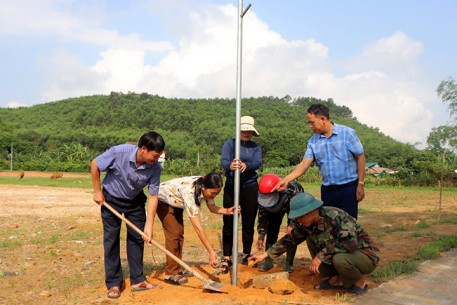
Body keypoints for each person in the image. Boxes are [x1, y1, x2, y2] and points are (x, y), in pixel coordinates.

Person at [249, 192, 381, 296]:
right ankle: (336, 278)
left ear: (311, 211)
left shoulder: (335, 216)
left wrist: (320, 256)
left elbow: (349, 243)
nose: (298, 219)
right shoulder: (308, 223)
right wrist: (265, 255)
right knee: (311, 238)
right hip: (347, 254)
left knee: (339, 259)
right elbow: (290, 239)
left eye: (300, 216)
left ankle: (359, 282)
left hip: (365, 255)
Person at [91, 131, 165, 299]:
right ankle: (114, 282)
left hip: (135, 202)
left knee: (137, 239)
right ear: (143, 149)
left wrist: (149, 226)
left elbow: (153, 196)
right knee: (111, 240)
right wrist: (97, 191)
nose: (156, 159)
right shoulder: (119, 152)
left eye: (158, 156)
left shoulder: (155, 168)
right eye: (155, 155)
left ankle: (138, 280)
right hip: (111, 199)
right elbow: (95, 164)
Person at [276, 104, 365, 219]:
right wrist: (286, 180)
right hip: (328, 191)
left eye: (312, 122)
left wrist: (361, 184)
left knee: (349, 226)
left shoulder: (347, 134)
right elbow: (304, 164)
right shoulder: (313, 141)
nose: (310, 126)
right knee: (329, 226)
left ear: (323, 119)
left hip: (348, 189)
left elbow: (361, 157)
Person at [152, 173, 236, 285]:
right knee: (174, 234)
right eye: (213, 193)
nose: (214, 196)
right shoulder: (190, 192)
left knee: (179, 234)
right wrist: (211, 251)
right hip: (163, 200)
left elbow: (212, 208)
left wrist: (226, 211)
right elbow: (197, 227)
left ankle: (176, 268)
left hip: (176, 201)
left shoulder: (206, 187)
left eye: (217, 193)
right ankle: (170, 274)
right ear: (203, 188)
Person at [220, 115, 262, 273]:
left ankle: (246, 253)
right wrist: (231, 165)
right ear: (238, 130)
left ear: (252, 132)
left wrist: (247, 165)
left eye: (249, 131)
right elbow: (223, 161)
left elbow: (257, 162)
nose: (246, 133)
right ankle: (227, 257)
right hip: (232, 186)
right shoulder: (230, 144)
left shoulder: (255, 147)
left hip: (250, 187)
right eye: (243, 130)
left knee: (248, 222)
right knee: (229, 221)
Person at [256, 173, 304, 272]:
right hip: (274, 210)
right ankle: (268, 262)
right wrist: (261, 234)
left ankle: (289, 263)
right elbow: (263, 216)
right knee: (272, 231)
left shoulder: (293, 191)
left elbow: (298, 211)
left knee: (292, 233)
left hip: (292, 207)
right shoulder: (262, 197)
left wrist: (292, 224)